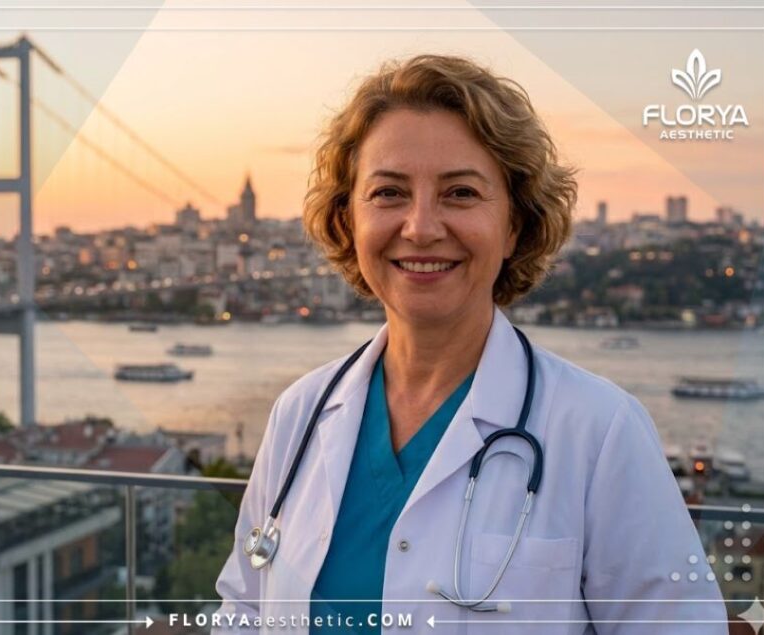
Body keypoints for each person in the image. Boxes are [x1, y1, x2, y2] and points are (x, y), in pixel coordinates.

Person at [212, 54, 728, 634]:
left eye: (460, 192)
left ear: (514, 226)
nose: (422, 227)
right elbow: (246, 609)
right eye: (388, 193)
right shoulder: (300, 414)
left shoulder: (601, 431)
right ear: (346, 222)